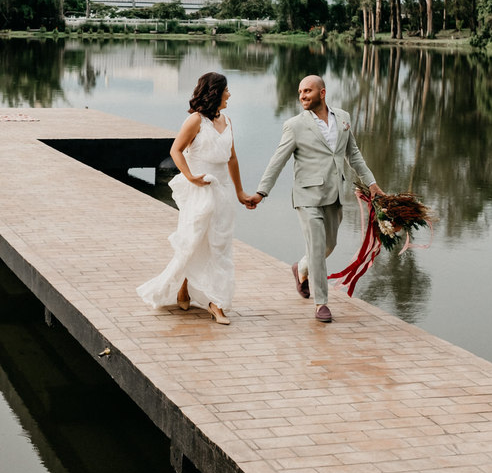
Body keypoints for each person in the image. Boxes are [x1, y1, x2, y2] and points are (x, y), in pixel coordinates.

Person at [251, 75, 383, 323]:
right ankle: (321, 303)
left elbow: (353, 154)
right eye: (300, 92)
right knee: (317, 247)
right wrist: (261, 192)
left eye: (307, 91)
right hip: (307, 195)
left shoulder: (343, 118)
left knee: (329, 246)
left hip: (335, 194)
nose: (302, 96)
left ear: (322, 93)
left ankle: (301, 268)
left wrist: (372, 183)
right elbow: (277, 160)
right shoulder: (294, 125)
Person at [137, 72, 259, 325]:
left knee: (219, 246)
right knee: (193, 242)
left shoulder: (227, 121)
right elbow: (176, 150)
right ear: (215, 92)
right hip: (199, 190)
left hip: (223, 191)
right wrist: (191, 177)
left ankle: (217, 303)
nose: (229, 94)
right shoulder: (195, 121)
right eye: (226, 90)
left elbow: (232, 158)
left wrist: (239, 191)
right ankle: (183, 286)